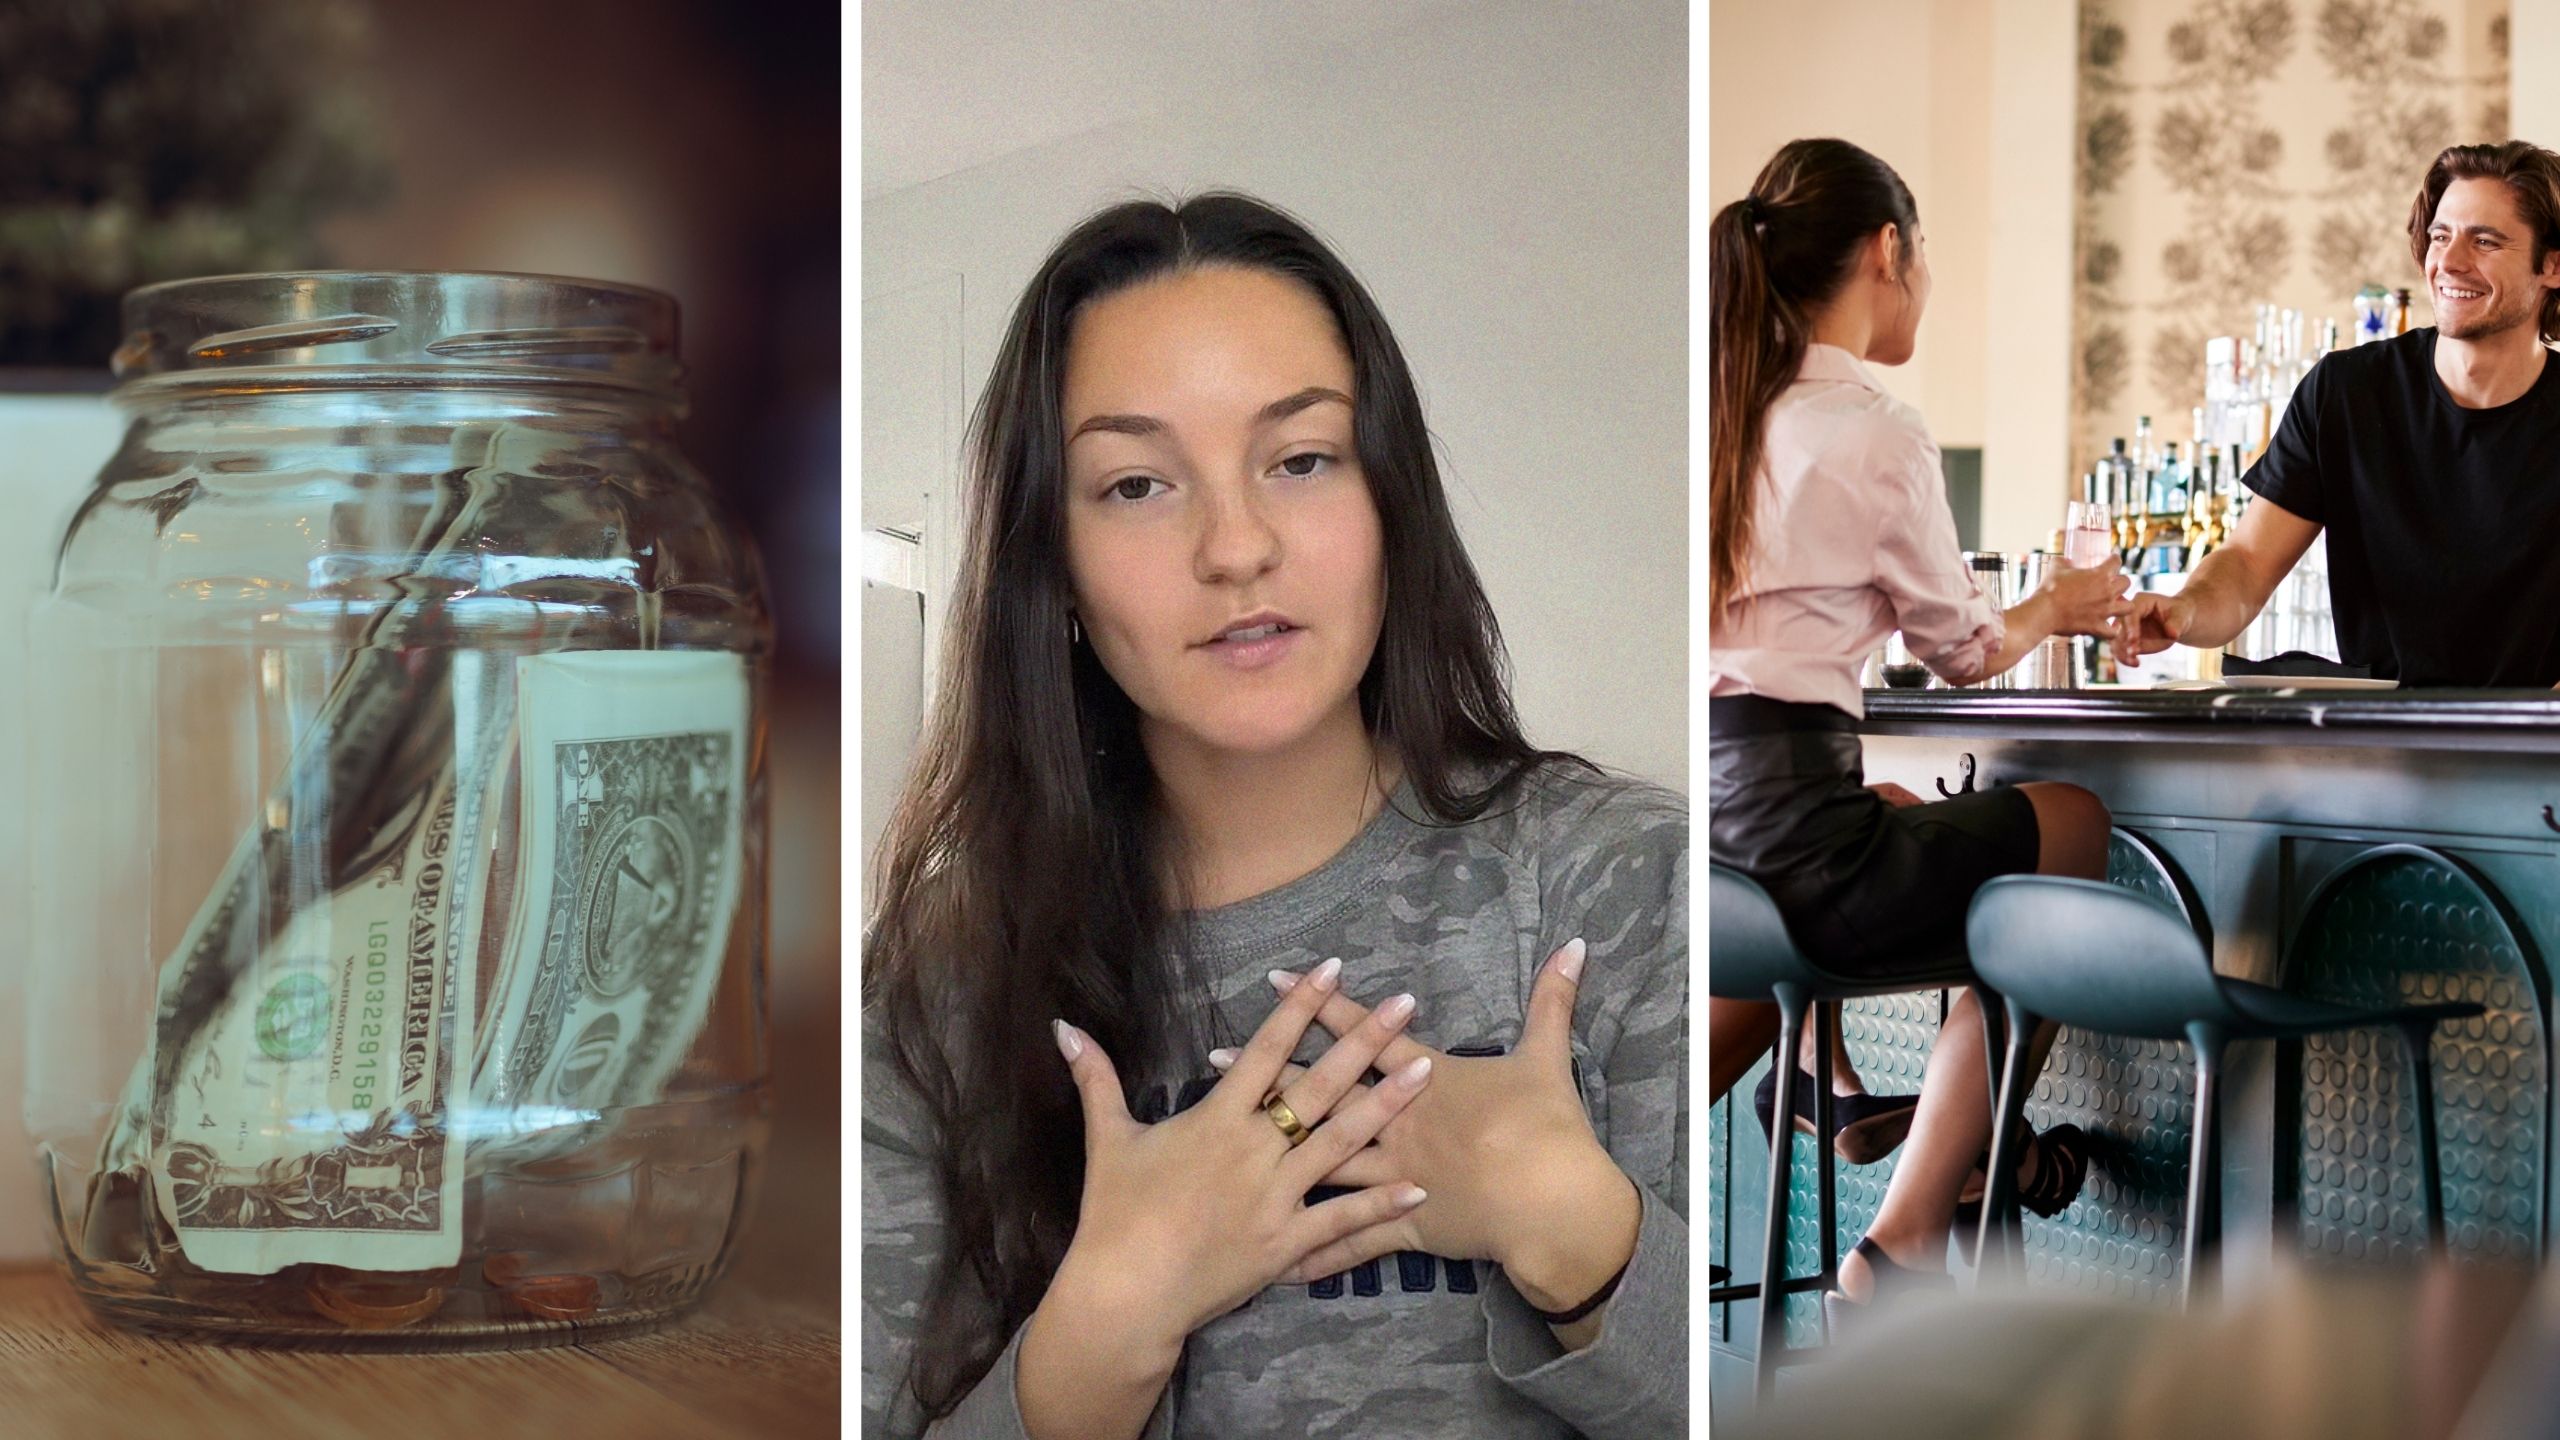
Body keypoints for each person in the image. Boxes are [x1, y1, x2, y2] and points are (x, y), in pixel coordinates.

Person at [861, 193, 1686, 1439]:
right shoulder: (942, 984)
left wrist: (1580, 1244)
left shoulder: (1611, 881)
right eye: (1137, 484)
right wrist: (1102, 1331)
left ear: (1387, 504)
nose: (1235, 546)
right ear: (1057, 574)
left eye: (1299, 459)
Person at [1707, 138, 2130, 1318]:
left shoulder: (1721, 410)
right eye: (1923, 250)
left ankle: (1822, 1073)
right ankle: (1905, 1234)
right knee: (2070, 828)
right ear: (1888, 251)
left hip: (1712, 839)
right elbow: (1967, 653)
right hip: (1794, 842)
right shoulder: (1870, 425)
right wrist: (2066, 603)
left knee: (1897, 807)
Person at [2120, 140, 2560, 688]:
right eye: (2440, 236)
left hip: (2535, 749)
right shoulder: (2346, 392)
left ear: (2552, 266)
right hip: (2379, 747)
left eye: (2485, 241)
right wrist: (2184, 610)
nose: (2447, 261)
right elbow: (2248, 563)